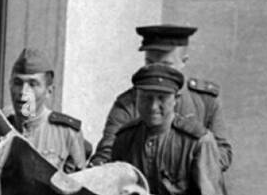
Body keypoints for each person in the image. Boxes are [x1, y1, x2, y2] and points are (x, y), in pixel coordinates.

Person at [90, 24, 232, 172]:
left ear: (184, 61)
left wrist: (187, 161)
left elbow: (224, 154)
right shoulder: (130, 102)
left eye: (166, 65)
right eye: (149, 63)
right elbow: (109, 150)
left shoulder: (205, 101)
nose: (156, 71)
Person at [106, 63, 225, 195]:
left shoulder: (197, 142)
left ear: (176, 99)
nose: (153, 107)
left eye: (162, 98)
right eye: (146, 98)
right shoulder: (124, 138)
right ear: (136, 98)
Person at [6, 47, 90, 173]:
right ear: (10, 85)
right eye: (18, 83)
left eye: (33, 84)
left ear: (49, 91)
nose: (23, 92)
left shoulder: (67, 133)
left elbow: (76, 187)